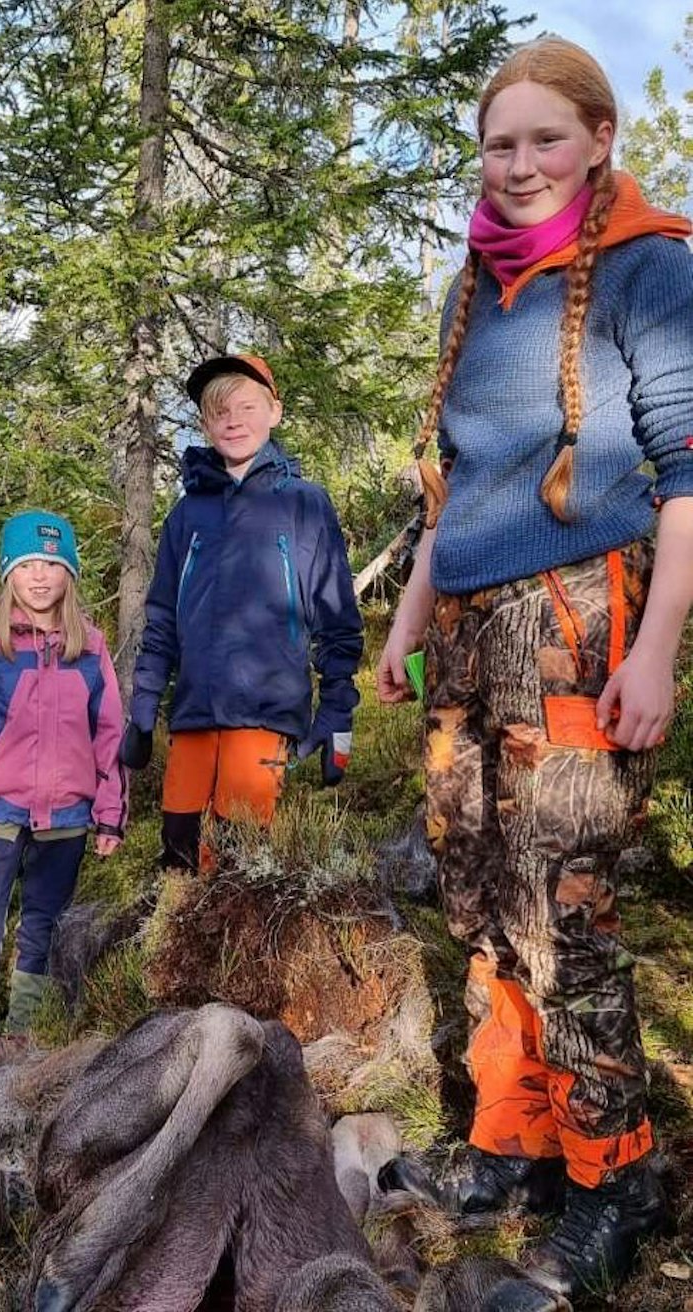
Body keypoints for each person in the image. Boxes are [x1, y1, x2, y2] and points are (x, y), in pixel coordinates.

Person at [375, 38, 693, 1298]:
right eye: (496, 144)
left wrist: (657, 649)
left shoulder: (647, 267)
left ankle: (610, 1173)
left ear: (597, 138)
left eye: (541, 140)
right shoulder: (473, 283)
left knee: (564, 907)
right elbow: (446, 493)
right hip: (461, 628)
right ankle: (507, 1140)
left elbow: (685, 477)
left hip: (574, 621)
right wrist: (405, 623)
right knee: (479, 892)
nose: (516, 166)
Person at [120, 353, 363, 871]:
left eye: (246, 407)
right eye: (218, 411)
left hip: (264, 718)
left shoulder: (304, 504)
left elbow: (337, 616)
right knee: (179, 860)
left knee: (241, 868)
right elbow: (161, 617)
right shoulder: (186, 515)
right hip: (192, 719)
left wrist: (338, 709)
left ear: (274, 412)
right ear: (205, 424)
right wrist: (143, 704)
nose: (233, 420)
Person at [0, 511, 126, 1061]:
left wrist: (109, 810)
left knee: (44, 921)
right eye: (28, 564)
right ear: (9, 573)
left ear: (69, 573)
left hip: (67, 817)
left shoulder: (90, 649)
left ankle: (26, 1028)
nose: (41, 576)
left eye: (52, 564)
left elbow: (109, 732)